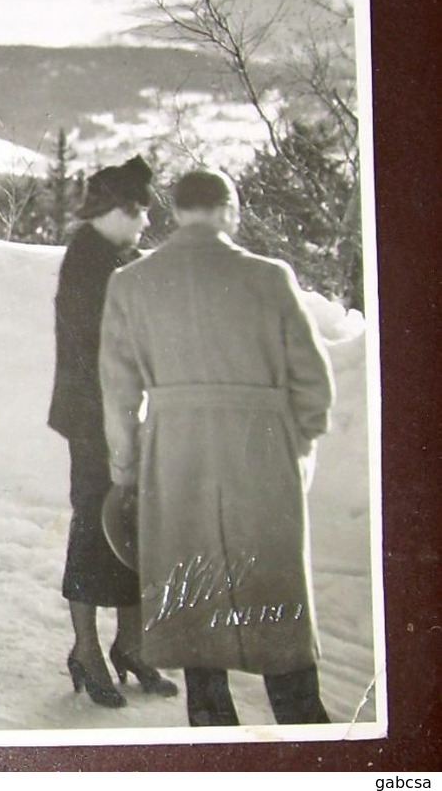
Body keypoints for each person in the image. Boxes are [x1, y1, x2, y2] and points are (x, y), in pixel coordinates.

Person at [100, 169, 335, 727]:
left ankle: (216, 748)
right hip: (262, 452)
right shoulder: (270, 277)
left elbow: (117, 391)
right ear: (230, 211)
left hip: (176, 455)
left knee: (193, 605)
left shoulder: (131, 282)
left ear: (176, 212)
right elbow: (315, 386)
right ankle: (316, 746)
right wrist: (295, 450)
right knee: (277, 602)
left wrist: (128, 470)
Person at [46, 155, 178, 707]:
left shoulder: (116, 256)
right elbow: (99, 350)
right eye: (142, 213)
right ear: (122, 211)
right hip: (93, 417)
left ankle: (131, 645)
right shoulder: (87, 262)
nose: (146, 223)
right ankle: (87, 649)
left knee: (131, 526)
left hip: (125, 412)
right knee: (94, 525)